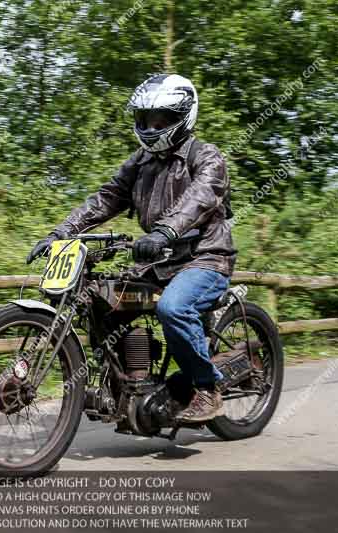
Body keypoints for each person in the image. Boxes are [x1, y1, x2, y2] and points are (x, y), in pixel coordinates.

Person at [26, 74, 237, 423]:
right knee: (102, 302)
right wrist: (60, 233)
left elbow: (199, 199)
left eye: (161, 120)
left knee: (172, 308)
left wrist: (164, 232)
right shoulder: (140, 162)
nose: (152, 128)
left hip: (205, 258)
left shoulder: (206, 157)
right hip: (160, 262)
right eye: (145, 120)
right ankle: (126, 386)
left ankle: (207, 388)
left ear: (182, 116)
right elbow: (105, 198)